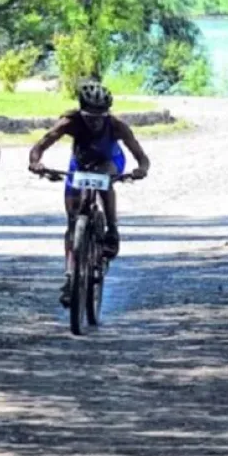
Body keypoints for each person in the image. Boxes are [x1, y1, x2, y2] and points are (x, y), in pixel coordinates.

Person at [28, 80, 150, 305]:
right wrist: (36, 163)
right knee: (72, 220)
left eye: (100, 117)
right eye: (90, 117)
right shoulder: (69, 122)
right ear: (81, 112)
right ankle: (70, 276)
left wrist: (141, 169)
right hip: (80, 164)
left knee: (104, 179)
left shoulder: (117, 126)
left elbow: (141, 157)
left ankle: (112, 228)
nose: (95, 122)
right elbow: (40, 146)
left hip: (110, 160)